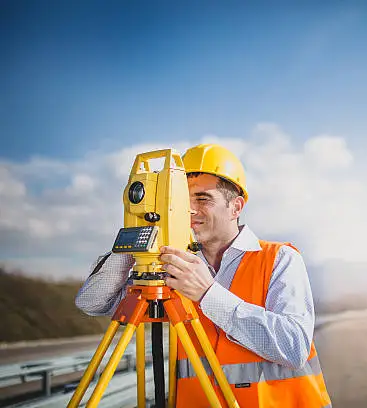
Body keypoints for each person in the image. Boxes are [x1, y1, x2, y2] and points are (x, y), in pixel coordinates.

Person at [75, 143, 332, 407]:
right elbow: (92, 302)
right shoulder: (171, 265)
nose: (189, 210)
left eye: (202, 199)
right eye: (181, 201)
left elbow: (294, 347)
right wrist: (138, 235)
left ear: (236, 207)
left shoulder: (279, 258)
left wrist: (209, 294)